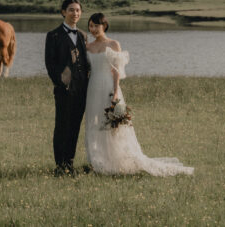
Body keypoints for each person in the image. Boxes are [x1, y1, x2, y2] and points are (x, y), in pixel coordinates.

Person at [83, 12, 194, 176]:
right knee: (94, 122)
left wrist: (115, 93)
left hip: (108, 87)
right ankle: (97, 160)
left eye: (96, 26)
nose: (93, 29)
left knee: (112, 125)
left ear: (104, 26)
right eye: (91, 26)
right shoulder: (88, 47)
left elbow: (117, 72)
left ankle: (115, 160)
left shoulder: (113, 44)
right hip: (92, 88)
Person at [44, 0, 91, 176]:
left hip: (81, 91)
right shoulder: (53, 35)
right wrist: (60, 84)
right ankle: (59, 165)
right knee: (62, 126)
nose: (75, 13)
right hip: (63, 91)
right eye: (71, 10)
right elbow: (50, 64)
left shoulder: (83, 35)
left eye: (78, 10)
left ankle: (70, 164)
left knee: (74, 127)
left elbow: (85, 64)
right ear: (63, 12)